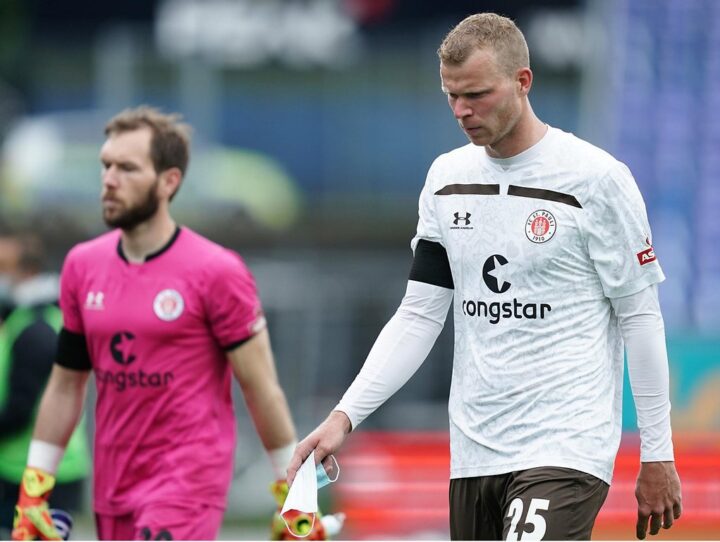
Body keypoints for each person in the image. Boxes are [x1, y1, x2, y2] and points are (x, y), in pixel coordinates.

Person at [288, 12, 682, 541]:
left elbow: (640, 319)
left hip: (565, 445)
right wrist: (344, 416)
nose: (461, 111)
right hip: (474, 450)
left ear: (523, 82)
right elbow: (420, 314)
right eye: (451, 96)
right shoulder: (447, 179)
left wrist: (657, 454)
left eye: (477, 94)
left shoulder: (596, 180)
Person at [11, 106, 308, 540]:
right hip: (113, 481)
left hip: (186, 482)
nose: (110, 179)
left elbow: (261, 388)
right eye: (106, 165)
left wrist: (297, 499)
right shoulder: (82, 265)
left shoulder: (216, 271)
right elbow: (66, 383)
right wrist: (35, 486)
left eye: (127, 168)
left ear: (169, 181)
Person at [0, 231, 90, 537]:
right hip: (42, 469)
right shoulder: (38, 319)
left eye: (3, 266)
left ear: (27, 270)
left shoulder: (34, 329)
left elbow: (20, 408)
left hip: (34, 473)